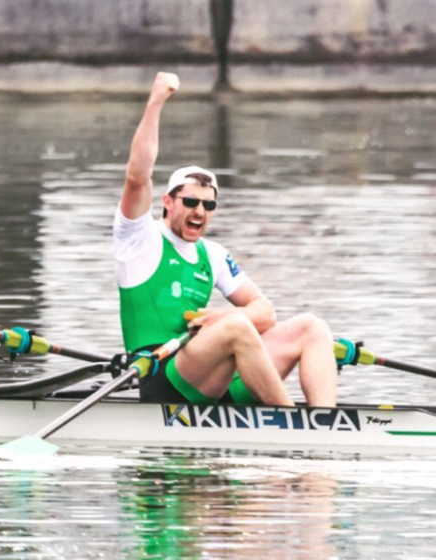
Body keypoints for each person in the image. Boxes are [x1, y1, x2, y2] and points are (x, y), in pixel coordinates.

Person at [115, 72, 338, 407]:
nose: (200, 211)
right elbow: (137, 177)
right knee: (238, 327)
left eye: (208, 205)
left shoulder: (214, 255)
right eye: (191, 202)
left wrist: (218, 318)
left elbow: (265, 312)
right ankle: (291, 418)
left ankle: (325, 421)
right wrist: (156, 100)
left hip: (210, 375)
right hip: (161, 377)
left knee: (311, 327)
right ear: (168, 202)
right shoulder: (139, 239)